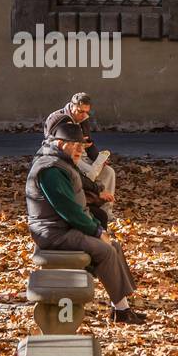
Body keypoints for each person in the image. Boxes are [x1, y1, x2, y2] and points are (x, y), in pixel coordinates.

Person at [26, 120, 145, 324]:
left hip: (64, 228)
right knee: (105, 250)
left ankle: (122, 306)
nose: (81, 151)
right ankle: (122, 311)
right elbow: (68, 209)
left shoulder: (61, 161)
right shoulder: (50, 169)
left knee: (113, 246)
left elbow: (76, 202)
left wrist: (96, 221)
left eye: (82, 146)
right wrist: (97, 231)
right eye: (77, 145)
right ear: (62, 143)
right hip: (54, 233)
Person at [43, 92, 116, 202]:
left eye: (87, 112)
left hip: (82, 154)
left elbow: (89, 141)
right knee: (89, 173)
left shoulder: (83, 118)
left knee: (108, 172)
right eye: (80, 111)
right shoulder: (58, 118)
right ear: (72, 106)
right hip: (63, 156)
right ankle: (85, 203)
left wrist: (98, 158)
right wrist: (75, 145)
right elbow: (51, 143)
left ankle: (106, 212)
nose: (84, 115)